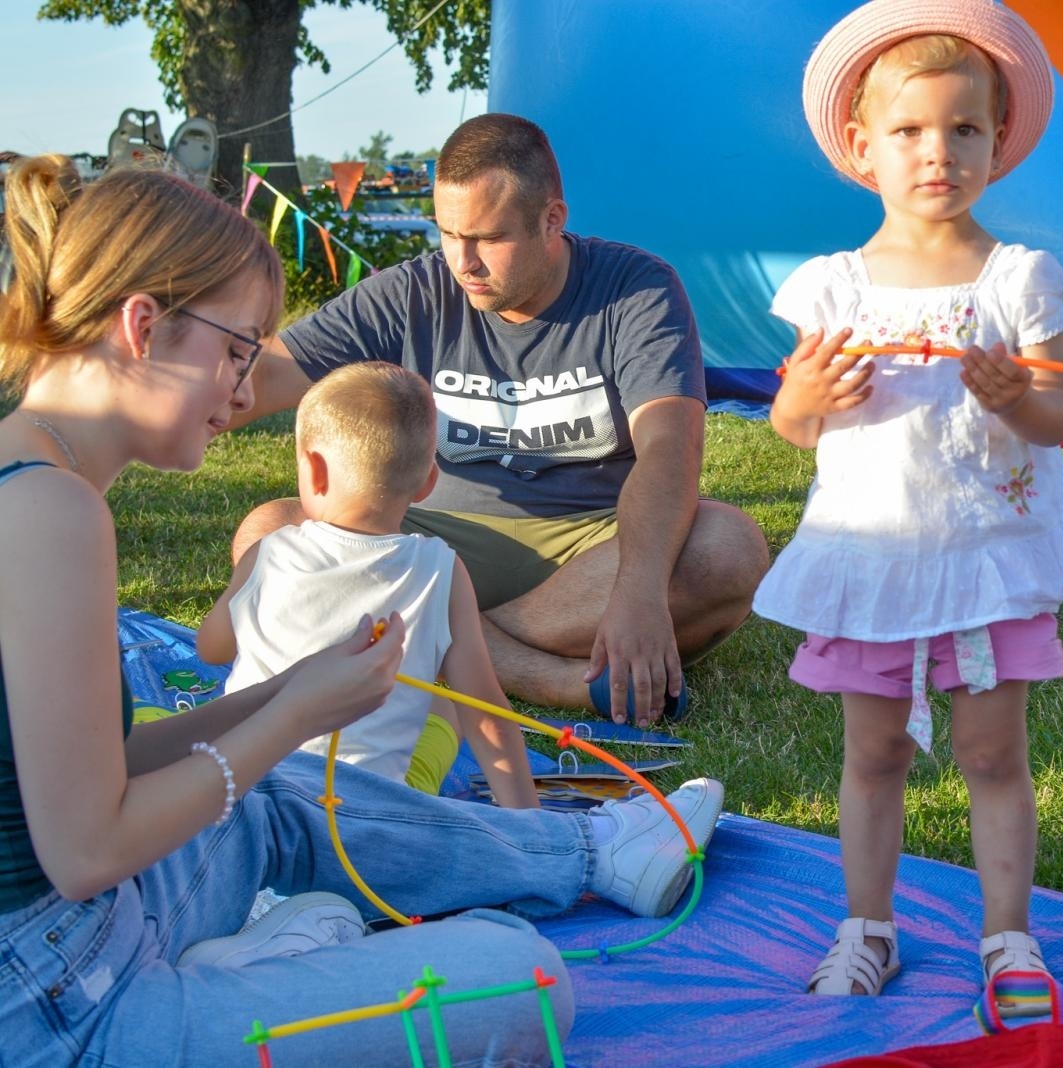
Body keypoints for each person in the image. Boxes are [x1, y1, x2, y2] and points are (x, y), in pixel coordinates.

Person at [0, 155, 723, 1066]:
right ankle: (259, 967)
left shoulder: (32, 478)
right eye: (235, 350)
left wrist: (283, 693)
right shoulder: (51, 511)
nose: (241, 391)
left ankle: (587, 853)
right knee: (521, 979)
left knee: (285, 795)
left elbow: (91, 775)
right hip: (63, 1005)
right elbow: (87, 850)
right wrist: (295, 716)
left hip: (73, 937)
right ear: (142, 327)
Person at [752, 0, 1063, 1009]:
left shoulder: (1020, 279)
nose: (936, 152)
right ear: (862, 147)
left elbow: (1059, 414)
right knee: (873, 754)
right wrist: (805, 402)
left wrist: (1019, 398)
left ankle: (1008, 939)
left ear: (997, 140)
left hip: (989, 554)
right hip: (870, 556)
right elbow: (792, 421)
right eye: (908, 131)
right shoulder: (831, 288)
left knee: (992, 753)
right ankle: (867, 928)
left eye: (962, 128)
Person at [230, 113, 768, 727]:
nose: (465, 262)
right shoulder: (411, 292)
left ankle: (418, 645)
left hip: (591, 544)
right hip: (434, 540)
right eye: (448, 233)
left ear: (552, 221)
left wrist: (639, 590)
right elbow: (260, 376)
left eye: (488, 237)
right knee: (268, 534)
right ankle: (553, 680)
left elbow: (670, 448)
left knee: (729, 548)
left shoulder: (637, 288)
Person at [196, 362, 541, 808]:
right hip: (371, 814)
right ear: (428, 482)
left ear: (314, 471)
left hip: (251, 796)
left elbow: (212, 648)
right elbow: (487, 713)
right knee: (445, 704)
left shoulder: (270, 551)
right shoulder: (441, 568)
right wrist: (531, 824)